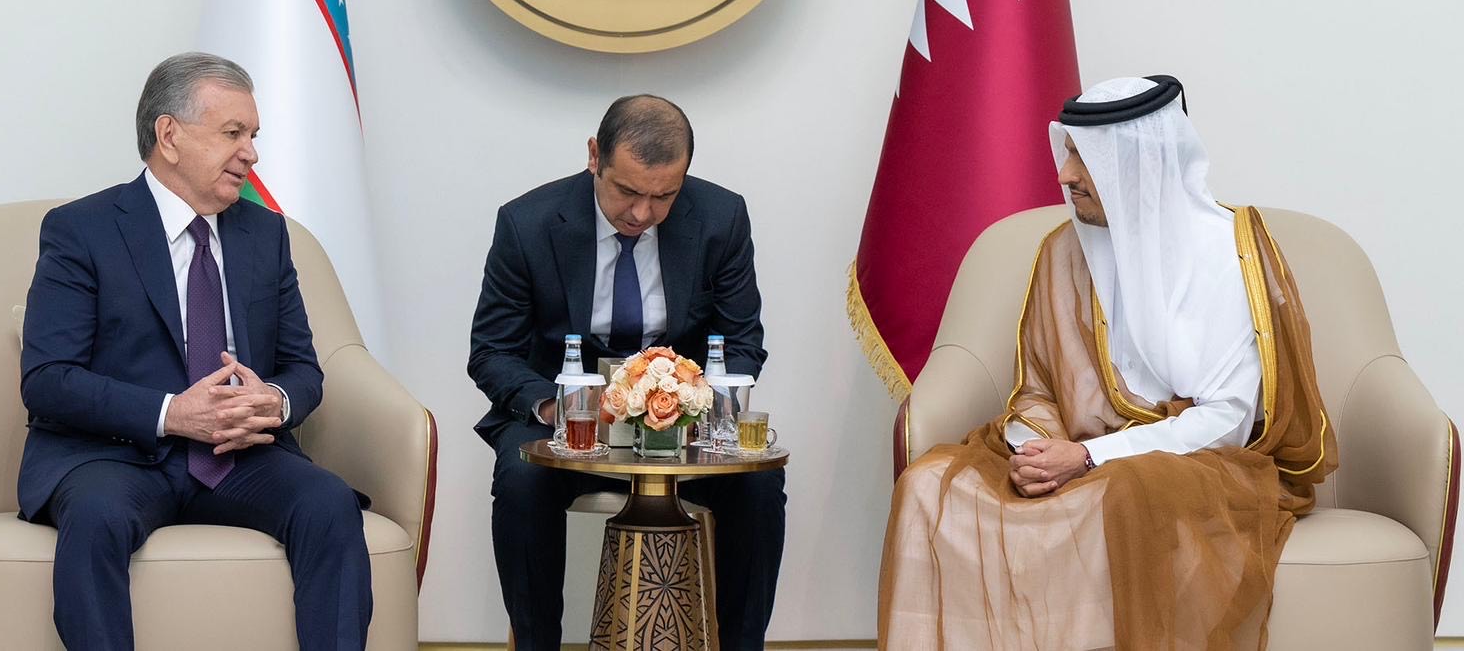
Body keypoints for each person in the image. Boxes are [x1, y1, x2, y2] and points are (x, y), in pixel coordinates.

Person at [878, 76, 1337, 649]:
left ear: (1139, 163)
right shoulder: (1064, 251)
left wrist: (1089, 457)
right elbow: (1038, 390)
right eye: (1068, 152)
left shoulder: (1228, 253)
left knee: (1122, 494)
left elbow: (1228, 420)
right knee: (926, 485)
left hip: (1192, 463)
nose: (1065, 175)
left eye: (1084, 157)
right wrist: (1037, 453)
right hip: (1075, 450)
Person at [18, 52, 371, 650]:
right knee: (96, 517)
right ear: (169, 136)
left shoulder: (266, 234)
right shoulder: (82, 229)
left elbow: (302, 368)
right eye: (233, 133)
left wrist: (275, 401)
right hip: (116, 456)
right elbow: (48, 379)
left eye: (254, 135)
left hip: (239, 457)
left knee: (329, 501)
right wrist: (172, 414)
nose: (251, 153)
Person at [468, 95, 786, 650]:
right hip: (567, 422)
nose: (642, 214)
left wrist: (695, 399)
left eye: (664, 196)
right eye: (628, 191)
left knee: (759, 483)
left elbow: (742, 342)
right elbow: (492, 351)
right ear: (595, 156)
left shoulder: (721, 218)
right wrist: (559, 407)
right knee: (521, 478)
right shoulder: (527, 223)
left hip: (683, 425)